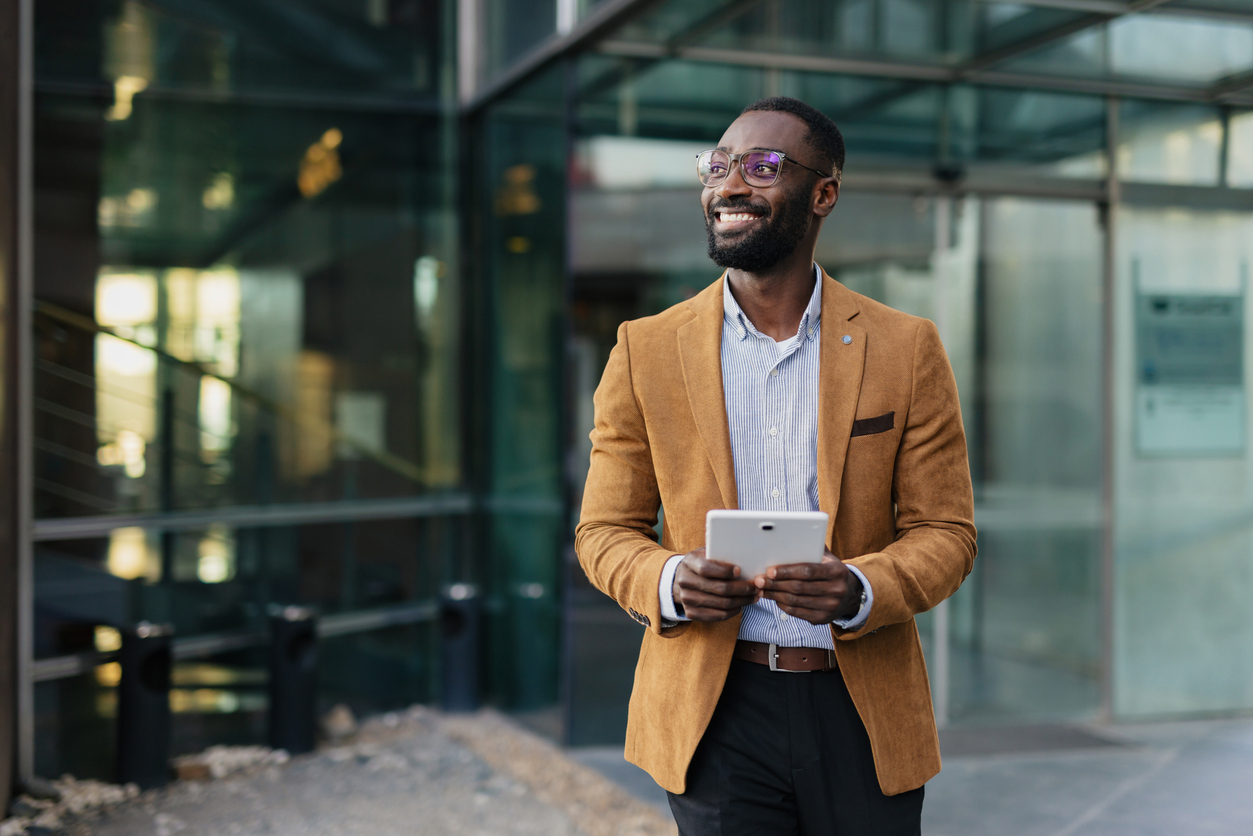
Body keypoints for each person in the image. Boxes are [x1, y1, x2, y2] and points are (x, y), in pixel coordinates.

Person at [575, 96, 976, 835]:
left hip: (861, 708)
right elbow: (602, 531)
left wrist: (858, 587)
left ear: (823, 193)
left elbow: (946, 532)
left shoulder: (904, 347)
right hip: (713, 710)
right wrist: (668, 581)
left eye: (761, 168)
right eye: (719, 166)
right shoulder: (646, 350)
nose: (729, 186)